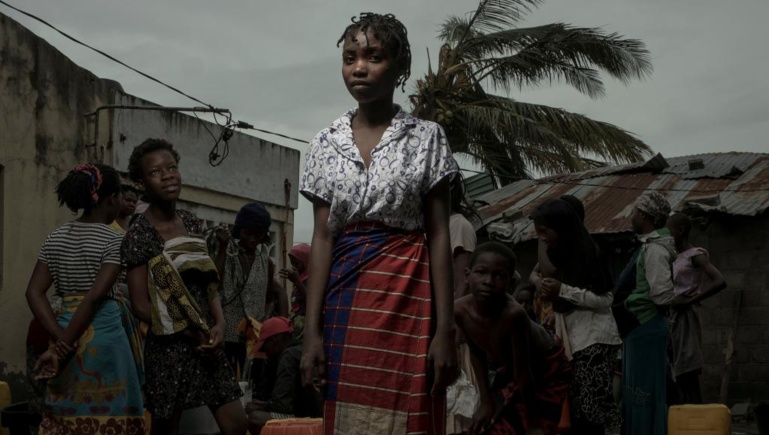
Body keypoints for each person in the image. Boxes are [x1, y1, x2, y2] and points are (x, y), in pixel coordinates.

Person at [299, 12, 459, 435]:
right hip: (345, 299)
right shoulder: (323, 143)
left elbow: (439, 234)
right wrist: (311, 333)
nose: (359, 68)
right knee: (348, 411)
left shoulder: (427, 137)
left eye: (373, 56)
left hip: (411, 297)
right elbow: (321, 237)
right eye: (350, 58)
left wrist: (446, 329)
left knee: (411, 413)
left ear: (400, 67)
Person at [121, 138, 247, 435]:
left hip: (207, 343)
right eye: (156, 172)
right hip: (170, 348)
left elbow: (207, 282)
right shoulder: (139, 234)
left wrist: (219, 322)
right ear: (141, 182)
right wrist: (192, 333)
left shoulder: (191, 221)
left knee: (237, 424)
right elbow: (140, 305)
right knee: (166, 428)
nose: (167, 175)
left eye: (172, 167)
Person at [25, 163, 145, 433]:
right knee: (114, 413)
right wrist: (62, 346)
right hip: (104, 335)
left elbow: (33, 292)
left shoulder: (55, 237)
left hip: (64, 327)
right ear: (112, 199)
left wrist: (58, 341)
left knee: (65, 412)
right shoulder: (115, 240)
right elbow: (94, 297)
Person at [455, 242, 571, 435]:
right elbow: (476, 352)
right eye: (481, 272)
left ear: (510, 282)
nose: (488, 281)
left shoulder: (513, 314)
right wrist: (485, 402)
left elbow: (523, 373)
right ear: (467, 275)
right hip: (511, 370)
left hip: (546, 367)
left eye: (499, 275)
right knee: (493, 425)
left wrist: (534, 425)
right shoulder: (459, 310)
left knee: (535, 428)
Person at [531, 199, 621, 435]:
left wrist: (563, 290)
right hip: (575, 342)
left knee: (592, 414)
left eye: (544, 231)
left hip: (594, 342)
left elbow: (604, 300)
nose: (541, 237)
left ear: (561, 227)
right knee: (579, 412)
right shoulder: (562, 254)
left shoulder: (589, 253)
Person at [621, 192, 676, 435]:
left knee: (644, 393)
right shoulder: (648, 246)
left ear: (643, 215)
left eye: (634, 211)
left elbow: (661, 294)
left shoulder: (655, 250)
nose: (630, 216)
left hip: (647, 327)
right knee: (636, 392)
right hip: (639, 328)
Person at [209, 202, 286, 375]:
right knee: (224, 377)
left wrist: (261, 322)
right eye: (247, 233)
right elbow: (214, 284)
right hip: (226, 332)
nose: (252, 239)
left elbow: (269, 300)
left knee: (251, 382)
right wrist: (222, 248)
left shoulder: (266, 263)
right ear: (239, 231)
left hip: (252, 339)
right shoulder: (226, 252)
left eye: (257, 235)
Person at [667, 212, 727, 404]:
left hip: (686, 317)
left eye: (669, 231)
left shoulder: (695, 255)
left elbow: (719, 281)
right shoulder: (672, 256)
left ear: (680, 231)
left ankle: (696, 421)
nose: (666, 236)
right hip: (671, 317)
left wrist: (689, 301)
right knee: (675, 371)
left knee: (687, 370)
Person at [246, 317, 323, 434]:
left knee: (255, 418)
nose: (265, 353)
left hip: (307, 418)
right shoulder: (301, 349)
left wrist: (261, 407)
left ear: (274, 340)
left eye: (265, 347)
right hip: (316, 415)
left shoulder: (289, 357)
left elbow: (281, 407)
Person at [529, 195, 585, 330]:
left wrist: (541, 238)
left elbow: (548, 271)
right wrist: (538, 282)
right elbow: (533, 274)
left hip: (568, 318)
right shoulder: (556, 249)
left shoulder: (578, 249)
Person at [280, 243, 311, 339]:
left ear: (306, 261)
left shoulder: (311, 279)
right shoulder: (300, 278)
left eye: (296, 263)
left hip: (305, 326)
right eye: (292, 263)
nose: (294, 267)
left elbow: (311, 303)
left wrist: (297, 282)